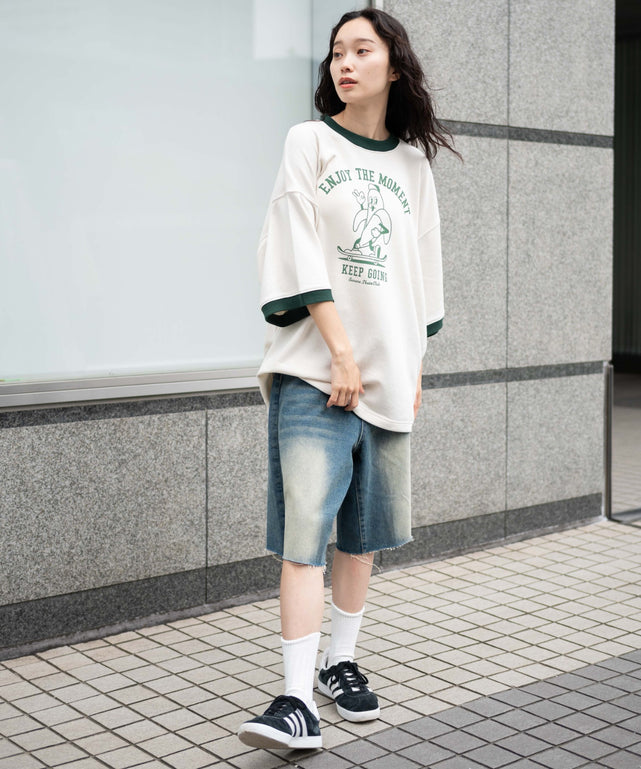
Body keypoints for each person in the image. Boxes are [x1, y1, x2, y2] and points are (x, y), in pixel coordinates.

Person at [238, 7, 459, 751]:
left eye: (362, 50)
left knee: (360, 536)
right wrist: (340, 353)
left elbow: (420, 277)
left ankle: (340, 662)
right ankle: (294, 700)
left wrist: (412, 365)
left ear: (394, 66)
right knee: (303, 534)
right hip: (314, 372)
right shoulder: (308, 142)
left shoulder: (413, 168)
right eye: (337, 51)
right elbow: (295, 248)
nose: (345, 63)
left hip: (387, 378)